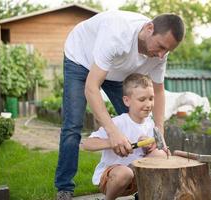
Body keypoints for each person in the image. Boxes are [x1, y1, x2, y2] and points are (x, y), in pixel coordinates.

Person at [55, 9, 185, 200]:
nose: (161, 55)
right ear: (149, 28)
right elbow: (92, 87)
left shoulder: (159, 54)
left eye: (167, 51)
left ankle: (141, 184)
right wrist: (113, 132)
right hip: (81, 59)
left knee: (138, 120)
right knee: (73, 125)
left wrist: (158, 133)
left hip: (116, 70)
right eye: (160, 46)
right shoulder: (117, 33)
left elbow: (158, 91)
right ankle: (64, 188)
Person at [81, 73, 167, 200]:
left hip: (135, 178)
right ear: (127, 101)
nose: (148, 104)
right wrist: (113, 142)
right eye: (142, 99)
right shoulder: (117, 123)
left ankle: (144, 194)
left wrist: (149, 147)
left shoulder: (150, 124)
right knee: (125, 173)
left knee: (161, 155)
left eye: (151, 98)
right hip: (112, 178)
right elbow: (86, 144)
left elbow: (159, 150)